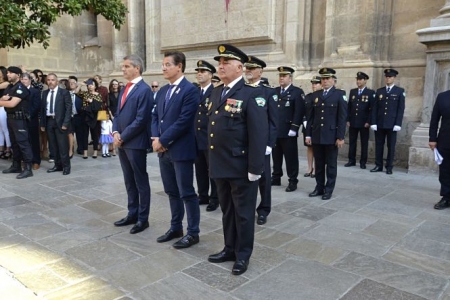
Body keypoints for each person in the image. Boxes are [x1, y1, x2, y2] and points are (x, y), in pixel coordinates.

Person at [207, 44, 268, 276]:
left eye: (226, 63)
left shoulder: (251, 94)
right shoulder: (216, 91)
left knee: (243, 214)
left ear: (240, 67)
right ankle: (229, 248)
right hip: (221, 165)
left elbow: (258, 134)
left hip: (242, 167)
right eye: (219, 63)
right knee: (227, 211)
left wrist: (255, 168)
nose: (220, 66)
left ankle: (243, 255)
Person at [152, 51, 200, 248]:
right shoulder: (162, 91)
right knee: (171, 191)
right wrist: (156, 137)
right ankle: (175, 227)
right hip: (163, 150)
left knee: (186, 192)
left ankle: (193, 232)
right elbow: (155, 116)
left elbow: (184, 121)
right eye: (163, 64)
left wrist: (163, 139)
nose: (163, 68)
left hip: (181, 150)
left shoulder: (190, 90)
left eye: (167, 64)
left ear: (179, 66)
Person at [113, 54, 153, 234]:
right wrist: (114, 132)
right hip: (122, 141)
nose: (123, 69)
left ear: (137, 68)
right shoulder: (125, 88)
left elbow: (141, 119)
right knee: (129, 180)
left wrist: (123, 136)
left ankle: (143, 218)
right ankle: (132, 212)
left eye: (126, 66)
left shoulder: (144, 90)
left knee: (140, 180)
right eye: (123, 67)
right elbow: (118, 114)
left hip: (135, 142)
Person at [244, 55, 278, 225]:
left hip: (261, 145)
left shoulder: (268, 92)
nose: (248, 71)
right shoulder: (240, 89)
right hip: (243, 145)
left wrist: (269, 144)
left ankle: (263, 209)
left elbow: (273, 122)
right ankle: (247, 208)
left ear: (260, 71)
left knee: (263, 179)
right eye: (247, 67)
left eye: (252, 68)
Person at [306, 68, 347, 200]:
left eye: (327, 79)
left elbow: (342, 118)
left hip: (331, 135)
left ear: (333, 80)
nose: (325, 81)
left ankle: (328, 189)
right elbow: (310, 117)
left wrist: (340, 136)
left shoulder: (339, 94)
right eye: (323, 79)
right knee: (319, 164)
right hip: (317, 134)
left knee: (331, 164)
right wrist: (308, 135)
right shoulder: (316, 95)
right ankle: (319, 187)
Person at [271, 66, 305, 192]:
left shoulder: (297, 92)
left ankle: (292, 180)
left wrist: (294, 128)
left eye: (284, 76)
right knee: (276, 156)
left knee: (290, 157)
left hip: (288, 130)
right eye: (280, 76)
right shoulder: (274, 91)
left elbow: (299, 111)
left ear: (290, 78)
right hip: (276, 130)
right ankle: (276, 177)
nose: (281, 78)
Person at [194, 60, 219, 212]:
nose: (199, 74)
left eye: (203, 72)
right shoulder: (195, 92)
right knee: (200, 170)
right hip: (196, 138)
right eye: (198, 71)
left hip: (210, 139)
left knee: (212, 171)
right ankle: (203, 195)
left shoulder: (215, 92)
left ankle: (215, 198)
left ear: (210, 75)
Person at [370, 69, 405, 175]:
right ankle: (378, 165)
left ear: (394, 78)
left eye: (390, 77)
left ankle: (389, 166)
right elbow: (375, 108)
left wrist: (398, 123)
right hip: (380, 123)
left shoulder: (399, 91)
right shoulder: (380, 91)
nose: (388, 78)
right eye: (386, 77)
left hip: (392, 124)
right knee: (379, 145)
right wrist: (374, 122)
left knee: (391, 146)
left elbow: (401, 109)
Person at [0, 66, 33, 179]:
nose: (8, 74)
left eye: (11, 73)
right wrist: (4, 100)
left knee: (23, 143)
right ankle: (16, 165)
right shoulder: (10, 87)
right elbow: (4, 99)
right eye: (8, 72)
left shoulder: (21, 88)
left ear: (18, 75)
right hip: (10, 118)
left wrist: (5, 100)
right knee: (14, 143)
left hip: (19, 119)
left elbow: (12, 104)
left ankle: (28, 168)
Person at [40, 73, 72, 175]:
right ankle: (58, 165)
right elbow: (42, 109)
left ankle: (66, 166)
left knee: (62, 146)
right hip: (49, 121)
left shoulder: (64, 92)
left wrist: (65, 123)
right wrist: (42, 124)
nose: (50, 82)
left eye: (52, 80)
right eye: (48, 80)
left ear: (56, 81)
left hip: (61, 122)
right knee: (53, 146)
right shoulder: (45, 93)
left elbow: (68, 109)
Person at [345, 72, 376, 169]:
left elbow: (372, 109)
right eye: (357, 79)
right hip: (353, 121)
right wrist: (348, 119)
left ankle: (363, 162)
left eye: (360, 79)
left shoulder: (370, 93)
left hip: (364, 123)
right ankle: (351, 160)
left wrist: (368, 121)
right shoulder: (353, 92)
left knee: (364, 143)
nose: (358, 81)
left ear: (365, 80)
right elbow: (349, 107)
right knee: (352, 142)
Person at [429, 90, 450, 210]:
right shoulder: (442, 97)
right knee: (445, 170)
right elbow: (434, 119)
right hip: (445, 139)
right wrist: (432, 138)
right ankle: (446, 197)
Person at [76, 78, 102, 159]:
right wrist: (80, 84)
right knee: (85, 134)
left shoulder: (98, 95)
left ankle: (95, 151)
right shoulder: (85, 93)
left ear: (95, 86)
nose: (90, 86)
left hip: (94, 116)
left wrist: (92, 101)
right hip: (85, 115)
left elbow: (99, 106)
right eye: (89, 85)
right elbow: (76, 92)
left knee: (95, 134)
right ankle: (85, 152)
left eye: (92, 85)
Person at [21, 73, 42, 170]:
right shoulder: (18, 91)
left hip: (31, 119)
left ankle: (36, 161)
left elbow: (36, 105)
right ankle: (26, 160)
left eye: (25, 79)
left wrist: (28, 115)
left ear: (29, 80)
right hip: (20, 120)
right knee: (24, 141)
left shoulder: (35, 91)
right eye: (22, 79)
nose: (23, 81)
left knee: (34, 141)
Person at [302, 75, 322, 178]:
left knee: (317, 148)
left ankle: (315, 168)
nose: (314, 86)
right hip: (308, 125)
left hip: (317, 126)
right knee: (309, 147)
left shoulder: (322, 96)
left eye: (316, 83)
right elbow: (304, 111)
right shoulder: (308, 96)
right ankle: (309, 167)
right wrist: (304, 120)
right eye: (313, 83)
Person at [68, 76, 84, 156]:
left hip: (78, 116)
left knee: (79, 132)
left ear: (76, 84)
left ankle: (80, 148)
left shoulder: (80, 94)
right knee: (70, 133)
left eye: (73, 82)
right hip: (70, 117)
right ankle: (71, 148)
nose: (71, 84)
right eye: (70, 83)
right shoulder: (66, 93)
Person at [0, 66, 12, 160]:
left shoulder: (6, 83)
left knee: (5, 129)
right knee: (0, 130)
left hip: (3, 107)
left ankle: (8, 149)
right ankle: (1, 148)